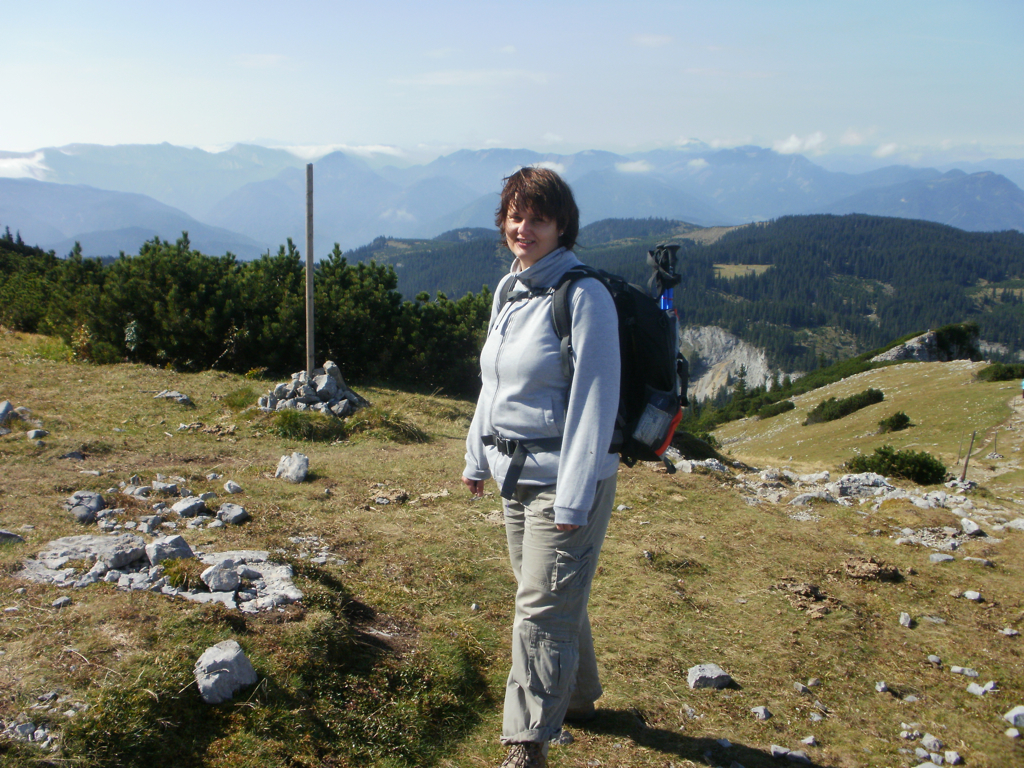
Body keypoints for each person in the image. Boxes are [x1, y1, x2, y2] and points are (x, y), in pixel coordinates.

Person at [462, 167, 621, 768]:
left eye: (538, 218)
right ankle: (577, 698)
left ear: (562, 226)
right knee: (547, 594)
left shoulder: (584, 296)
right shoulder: (510, 291)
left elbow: (594, 403)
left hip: (563, 480)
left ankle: (525, 744)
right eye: (515, 215)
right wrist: (477, 455)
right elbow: (493, 383)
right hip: (512, 474)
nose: (523, 228)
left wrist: (576, 497)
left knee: (539, 609)